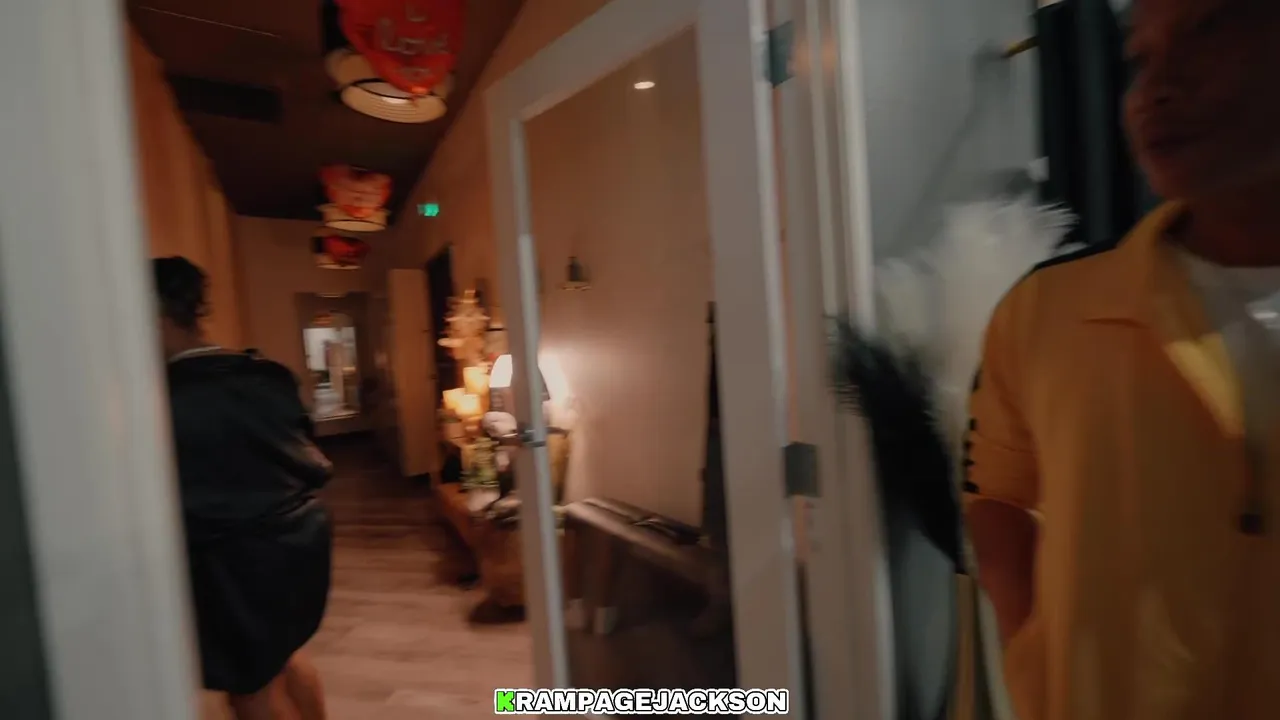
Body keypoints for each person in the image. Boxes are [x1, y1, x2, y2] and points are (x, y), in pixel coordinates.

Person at [964, 1, 1280, 718]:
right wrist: (1039, 664)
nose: (1156, 89)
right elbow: (997, 496)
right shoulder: (1048, 312)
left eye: (1206, 30)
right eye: (1140, 58)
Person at [154, 257, 333, 720]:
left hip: (236, 563)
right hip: (300, 543)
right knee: (286, 656)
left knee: (250, 692)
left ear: (156, 314)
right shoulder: (266, 373)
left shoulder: (166, 396)